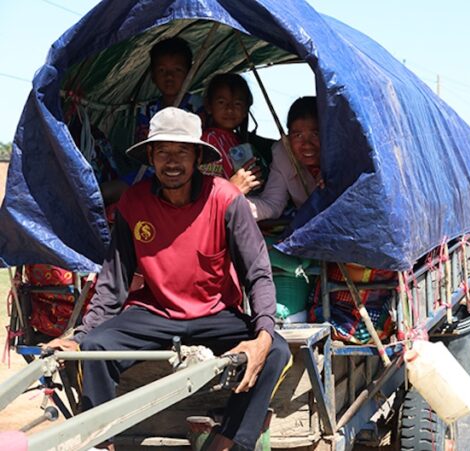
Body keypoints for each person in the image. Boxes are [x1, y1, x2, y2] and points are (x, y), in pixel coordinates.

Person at [45, 107, 290, 451]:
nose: (172, 161)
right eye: (163, 151)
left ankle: (228, 440)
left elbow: (258, 274)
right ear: (150, 155)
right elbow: (114, 282)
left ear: (197, 156)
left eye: (182, 151)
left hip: (215, 315)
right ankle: (102, 442)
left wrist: (262, 334)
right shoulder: (134, 202)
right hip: (154, 313)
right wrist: (81, 334)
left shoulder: (225, 199)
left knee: (275, 349)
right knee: (94, 348)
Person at [248, 96, 322, 220]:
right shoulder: (283, 153)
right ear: (288, 137)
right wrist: (233, 203)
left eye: (315, 134)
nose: (307, 144)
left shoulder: (346, 153)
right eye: (298, 135)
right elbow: (272, 204)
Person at [199, 73, 272, 195]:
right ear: (209, 106)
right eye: (222, 102)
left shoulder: (241, 141)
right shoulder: (208, 139)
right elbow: (209, 187)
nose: (230, 109)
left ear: (246, 109)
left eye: (237, 104)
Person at [135, 37, 205, 143]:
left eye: (177, 70)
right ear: (153, 76)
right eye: (162, 70)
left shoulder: (199, 106)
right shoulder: (147, 110)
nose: (169, 76)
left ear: (189, 74)